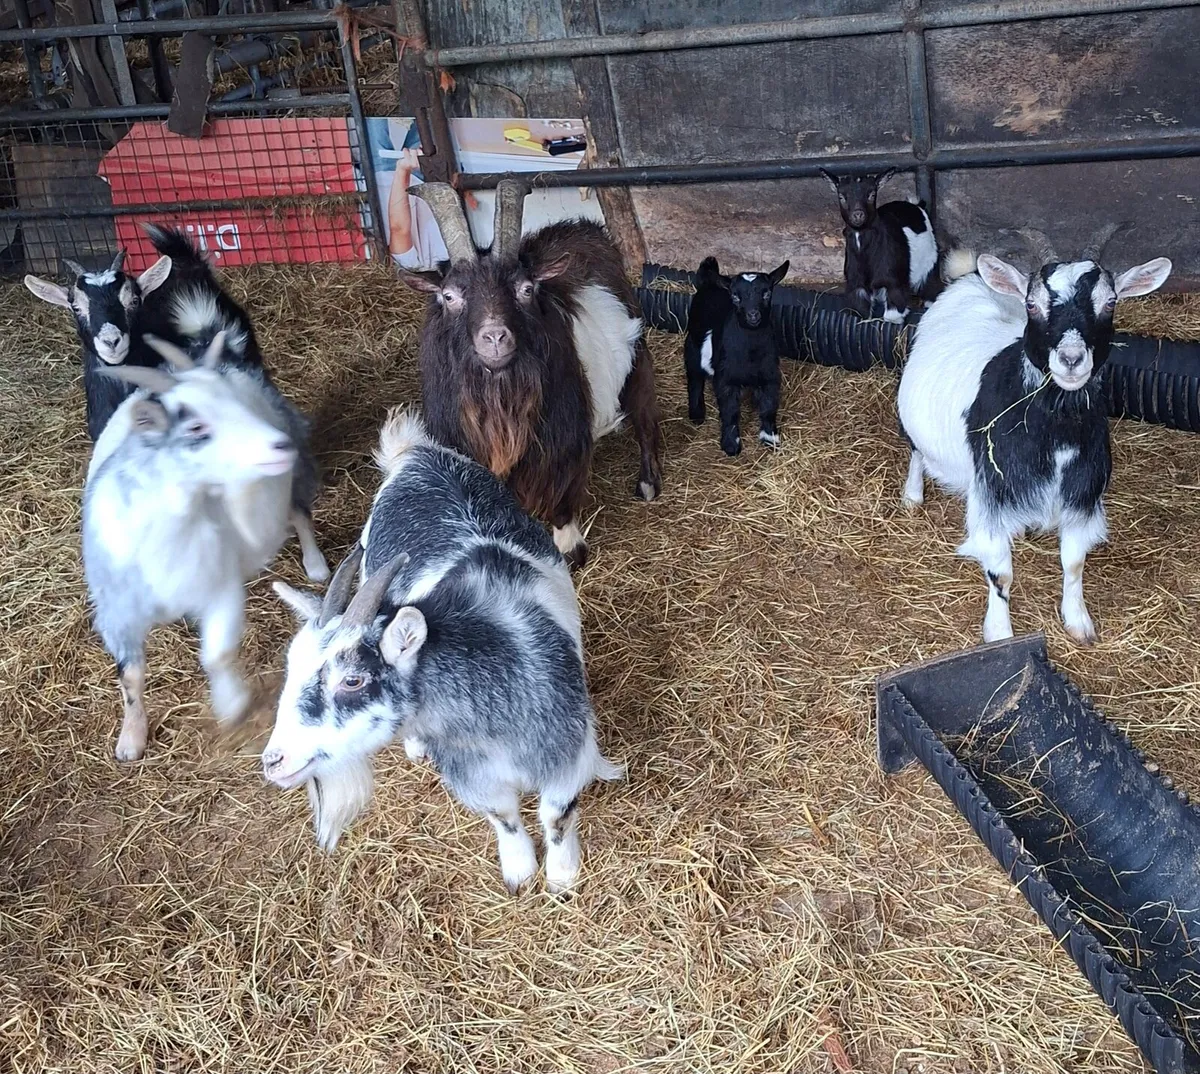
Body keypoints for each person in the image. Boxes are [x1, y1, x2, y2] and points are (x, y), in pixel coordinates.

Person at [381, 119, 448, 270]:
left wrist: (403, 170)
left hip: (386, 178)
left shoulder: (411, 266)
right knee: (428, 118)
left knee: (428, 120)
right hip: (418, 175)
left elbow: (399, 228)